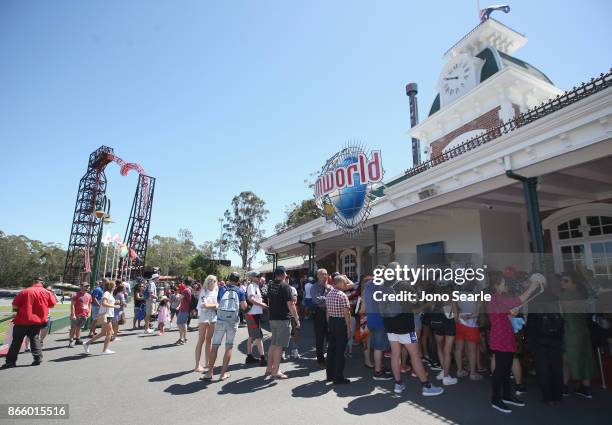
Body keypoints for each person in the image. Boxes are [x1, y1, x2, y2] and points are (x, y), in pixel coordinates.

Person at [487, 271, 541, 413]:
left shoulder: (498, 298)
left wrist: (511, 312)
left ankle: (505, 395)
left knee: (505, 369)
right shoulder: (495, 299)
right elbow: (518, 300)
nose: (506, 285)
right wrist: (532, 287)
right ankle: (496, 399)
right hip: (500, 338)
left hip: (506, 336)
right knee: (501, 369)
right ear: (496, 286)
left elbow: (508, 310)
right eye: (504, 283)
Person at [2, 277, 57, 368]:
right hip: (37, 321)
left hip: (22, 321)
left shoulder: (25, 291)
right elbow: (52, 305)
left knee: (16, 341)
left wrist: (19, 310)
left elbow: (15, 305)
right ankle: (37, 358)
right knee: (35, 339)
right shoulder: (46, 292)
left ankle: (10, 362)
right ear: (42, 283)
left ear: (33, 282)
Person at [201, 272, 246, 381]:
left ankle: (209, 373)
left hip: (220, 319)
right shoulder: (240, 291)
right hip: (232, 321)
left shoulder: (222, 289)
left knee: (215, 346)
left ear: (229, 279)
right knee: (229, 346)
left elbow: (218, 303)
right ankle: (222, 374)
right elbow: (244, 307)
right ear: (238, 280)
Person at [526, 276, 564, 405]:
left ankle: (548, 396)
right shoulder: (554, 295)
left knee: (543, 366)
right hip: (555, 336)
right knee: (556, 365)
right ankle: (557, 394)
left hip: (538, 337)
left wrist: (528, 337)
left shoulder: (533, 298)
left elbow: (531, 320)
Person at [559, 271, 594, 398]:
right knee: (585, 357)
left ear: (574, 282)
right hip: (583, 330)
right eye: (562, 280)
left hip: (570, 330)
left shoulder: (563, 296)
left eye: (566, 280)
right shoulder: (583, 295)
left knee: (566, 359)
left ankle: (564, 386)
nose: (562, 282)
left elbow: (561, 314)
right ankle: (586, 387)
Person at [265, 266, 300, 379]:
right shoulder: (285, 286)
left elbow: (269, 301)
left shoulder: (270, 285)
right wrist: (297, 318)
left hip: (273, 318)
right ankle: (275, 371)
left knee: (273, 344)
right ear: (283, 274)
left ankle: (269, 369)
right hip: (283, 319)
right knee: (279, 346)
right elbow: (291, 304)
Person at [361, 269, 392, 380]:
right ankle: (378, 372)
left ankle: (379, 366)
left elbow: (364, 303)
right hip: (380, 320)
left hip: (370, 319)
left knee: (375, 346)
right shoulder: (384, 286)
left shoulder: (368, 284)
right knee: (379, 347)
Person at [325, 275, 352, 384]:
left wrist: (329, 323)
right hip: (340, 323)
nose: (345, 285)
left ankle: (330, 375)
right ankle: (338, 377)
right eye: (344, 283)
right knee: (340, 351)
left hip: (332, 321)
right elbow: (347, 313)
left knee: (331, 349)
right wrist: (349, 327)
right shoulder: (342, 295)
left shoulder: (329, 294)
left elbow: (327, 312)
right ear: (339, 283)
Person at [454, 281, 483, 381]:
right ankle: (472, 373)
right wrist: (469, 316)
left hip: (459, 325)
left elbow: (455, 313)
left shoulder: (457, 296)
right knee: (472, 350)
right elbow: (477, 314)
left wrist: (460, 318)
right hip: (471, 325)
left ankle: (459, 370)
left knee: (458, 348)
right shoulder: (477, 298)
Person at [83, 280, 118, 355]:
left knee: (103, 333)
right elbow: (104, 303)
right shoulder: (106, 293)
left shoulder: (110, 294)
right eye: (114, 285)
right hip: (106, 315)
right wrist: (113, 305)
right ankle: (105, 350)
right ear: (111, 286)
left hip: (109, 315)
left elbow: (108, 303)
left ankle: (87, 344)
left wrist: (115, 303)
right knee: (110, 332)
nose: (115, 287)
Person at [195, 275, 218, 372]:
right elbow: (204, 305)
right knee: (201, 340)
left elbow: (211, 305)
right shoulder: (204, 291)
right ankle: (197, 365)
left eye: (213, 280)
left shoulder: (216, 290)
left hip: (213, 317)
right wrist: (216, 306)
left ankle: (208, 363)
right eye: (209, 280)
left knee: (209, 340)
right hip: (204, 316)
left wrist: (215, 306)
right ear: (206, 281)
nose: (211, 282)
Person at [245, 271, 268, 366]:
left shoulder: (256, 286)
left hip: (254, 314)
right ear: (253, 277)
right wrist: (262, 305)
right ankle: (263, 358)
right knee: (259, 336)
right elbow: (251, 299)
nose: (259, 278)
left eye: (260, 276)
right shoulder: (251, 286)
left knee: (252, 336)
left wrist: (261, 305)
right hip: (252, 314)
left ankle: (249, 356)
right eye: (257, 276)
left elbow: (255, 299)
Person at [311, 268, 330, 367]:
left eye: (326, 274)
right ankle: (320, 359)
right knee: (320, 338)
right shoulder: (314, 287)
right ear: (318, 276)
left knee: (330, 337)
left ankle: (330, 357)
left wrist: (324, 298)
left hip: (330, 313)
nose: (325, 276)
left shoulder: (330, 287)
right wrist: (329, 298)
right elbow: (317, 300)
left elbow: (323, 299)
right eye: (322, 274)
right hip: (319, 314)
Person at [69, 282, 92, 347]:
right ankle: (71, 341)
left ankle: (78, 340)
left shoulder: (89, 295)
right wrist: (73, 314)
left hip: (84, 315)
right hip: (76, 315)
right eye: (85, 286)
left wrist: (89, 312)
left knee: (79, 328)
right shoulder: (76, 295)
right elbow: (72, 305)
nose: (87, 288)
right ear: (81, 287)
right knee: (73, 328)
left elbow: (89, 304)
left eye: (88, 286)